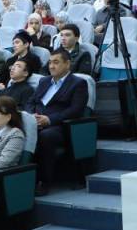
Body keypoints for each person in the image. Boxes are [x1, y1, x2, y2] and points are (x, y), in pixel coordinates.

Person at [26, 49, 89, 194]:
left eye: (56, 62)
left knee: (45, 136)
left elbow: (76, 110)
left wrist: (49, 120)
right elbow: (31, 102)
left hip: (60, 126)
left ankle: (44, 181)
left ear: (67, 64)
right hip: (36, 121)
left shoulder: (78, 83)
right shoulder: (44, 81)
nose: (51, 66)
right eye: (50, 63)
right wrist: (31, 116)